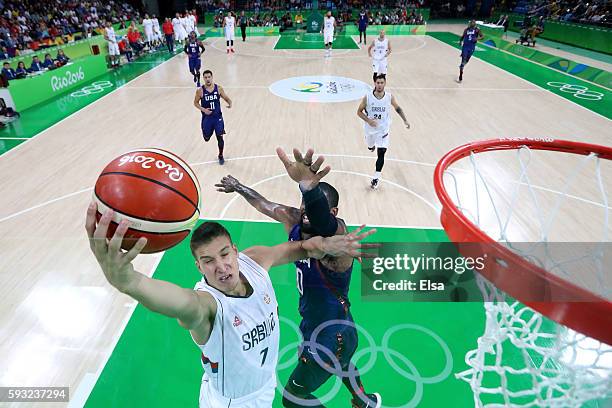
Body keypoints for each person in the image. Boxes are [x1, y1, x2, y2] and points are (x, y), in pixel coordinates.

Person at [85, 202, 375, 408]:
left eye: (225, 254)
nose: (222, 267)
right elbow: (177, 302)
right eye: (209, 261)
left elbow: (297, 248)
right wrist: (129, 281)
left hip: (264, 388)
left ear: (235, 251)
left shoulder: (255, 261)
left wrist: (326, 246)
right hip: (231, 403)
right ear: (199, 266)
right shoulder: (206, 306)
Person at [216, 148, 382, 408]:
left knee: (292, 399)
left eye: (312, 206)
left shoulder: (337, 239)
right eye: (303, 204)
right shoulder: (296, 219)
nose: (305, 211)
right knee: (345, 362)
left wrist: (308, 187)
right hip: (332, 325)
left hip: (330, 335)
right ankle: (365, 402)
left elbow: (323, 228)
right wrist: (239, 186)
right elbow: (266, 205)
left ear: (334, 211)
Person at [357, 75, 410, 189]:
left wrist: (405, 120)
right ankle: (371, 146)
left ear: (385, 83)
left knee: (381, 153)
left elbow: (398, 108)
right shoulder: (368, 97)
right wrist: (368, 120)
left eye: (382, 82)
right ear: (374, 83)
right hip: (370, 130)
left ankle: (376, 178)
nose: (380, 85)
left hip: (383, 130)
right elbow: (359, 112)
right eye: (378, 83)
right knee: (371, 146)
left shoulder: (389, 97)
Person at [194, 70, 232, 165]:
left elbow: (226, 97)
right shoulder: (200, 91)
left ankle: (220, 155)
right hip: (207, 119)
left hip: (218, 118)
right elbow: (195, 103)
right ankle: (206, 134)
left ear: (212, 77)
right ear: (203, 78)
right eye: (205, 77)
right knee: (206, 138)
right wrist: (203, 110)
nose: (207, 79)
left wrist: (230, 103)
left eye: (209, 77)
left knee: (220, 137)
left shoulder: (218, 88)